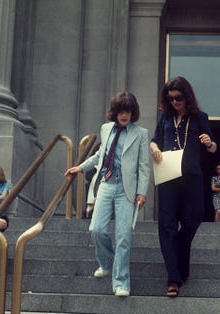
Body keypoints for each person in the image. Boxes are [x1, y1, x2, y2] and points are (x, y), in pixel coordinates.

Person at [64, 91, 150, 297]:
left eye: (128, 111)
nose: (124, 115)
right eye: (121, 110)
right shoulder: (105, 129)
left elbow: (144, 166)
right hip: (106, 184)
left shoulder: (141, 134)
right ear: (115, 111)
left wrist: (142, 192)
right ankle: (107, 262)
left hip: (126, 189)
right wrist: (80, 167)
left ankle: (121, 283)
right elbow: (99, 155)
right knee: (96, 229)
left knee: (123, 237)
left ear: (133, 113)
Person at [150, 76, 217, 297]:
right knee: (167, 226)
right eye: (170, 99)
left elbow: (213, 148)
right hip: (168, 176)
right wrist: (154, 148)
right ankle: (173, 278)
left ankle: (176, 259)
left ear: (186, 97)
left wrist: (209, 143)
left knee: (193, 219)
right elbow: (154, 140)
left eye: (178, 98)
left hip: (192, 177)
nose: (174, 103)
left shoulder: (200, 117)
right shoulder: (164, 119)